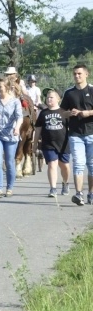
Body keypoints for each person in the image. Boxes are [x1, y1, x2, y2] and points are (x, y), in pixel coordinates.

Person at [59, 64, 93, 206]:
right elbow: (61, 112)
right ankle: (79, 194)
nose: (77, 76)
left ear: (86, 74)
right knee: (78, 164)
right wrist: (69, 113)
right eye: (74, 74)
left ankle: (91, 193)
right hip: (75, 134)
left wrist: (89, 113)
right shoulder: (69, 93)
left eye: (79, 73)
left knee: (91, 165)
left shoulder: (92, 90)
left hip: (91, 132)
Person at [34, 89, 71, 198]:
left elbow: (70, 128)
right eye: (47, 97)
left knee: (64, 165)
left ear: (58, 99)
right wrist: (35, 144)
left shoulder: (64, 112)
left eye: (51, 97)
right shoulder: (43, 113)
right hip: (48, 144)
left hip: (63, 143)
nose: (49, 99)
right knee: (52, 164)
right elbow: (38, 130)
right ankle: (53, 188)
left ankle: (65, 183)